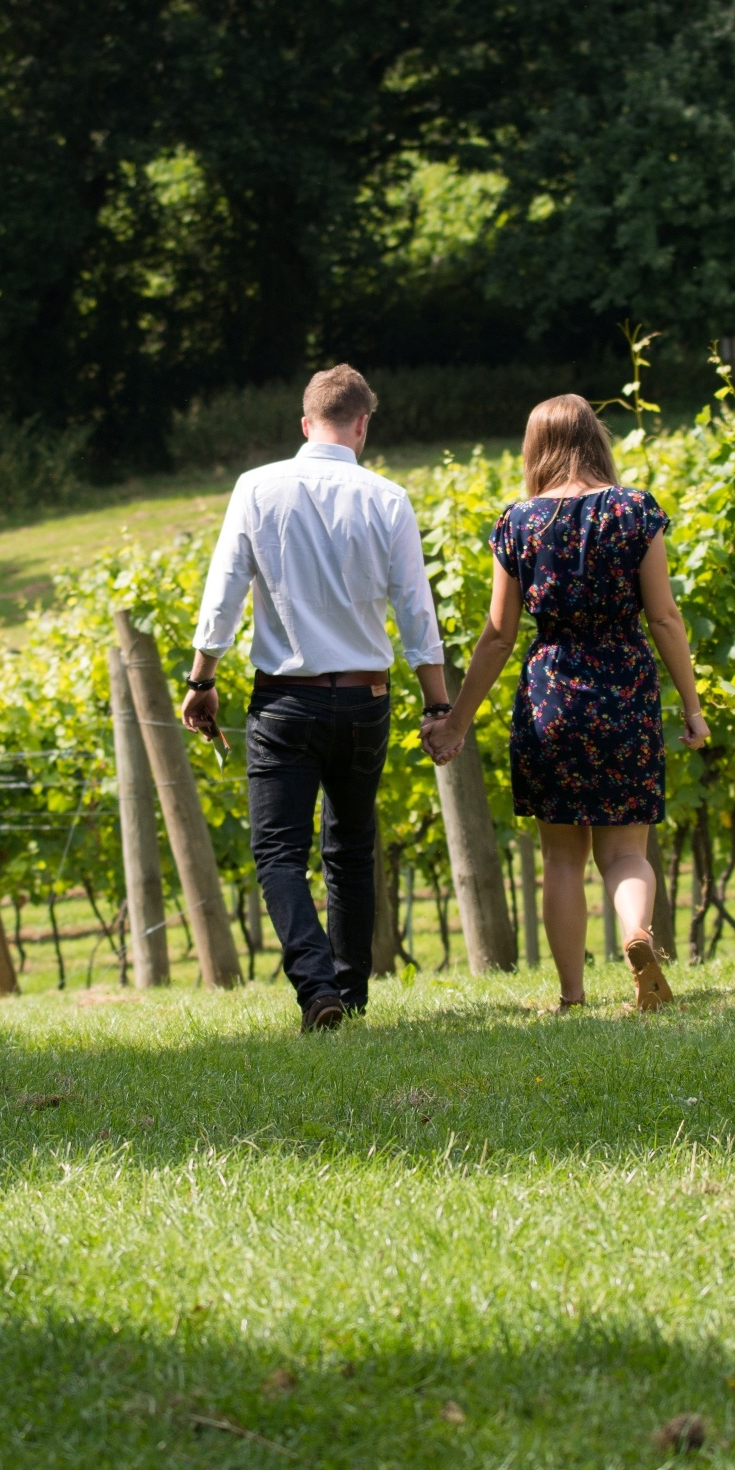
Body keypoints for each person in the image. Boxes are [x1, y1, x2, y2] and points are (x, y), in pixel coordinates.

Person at [182, 365, 454, 1032]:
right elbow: (416, 612)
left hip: (284, 702)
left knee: (279, 853)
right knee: (352, 848)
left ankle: (316, 986)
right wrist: (438, 705)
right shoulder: (388, 498)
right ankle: (349, 993)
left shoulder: (256, 489)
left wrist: (201, 680)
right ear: (362, 425)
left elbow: (222, 597)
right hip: (366, 699)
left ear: (306, 423)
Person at [424, 394, 709, 1011]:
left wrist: (457, 720)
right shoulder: (635, 509)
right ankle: (637, 935)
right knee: (627, 851)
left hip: (550, 696)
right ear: (596, 440)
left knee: (560, 857)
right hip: (626, 691)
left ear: (536, 449)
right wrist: (691, 705)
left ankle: (573, 995)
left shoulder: (518, 522)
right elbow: (663, 616)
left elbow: (499, 636)